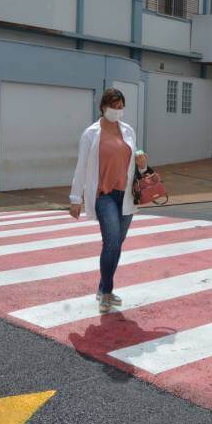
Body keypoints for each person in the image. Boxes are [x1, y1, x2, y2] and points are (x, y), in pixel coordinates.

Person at [69, 88, 148, 313]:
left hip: (126, 196)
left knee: (117, 244)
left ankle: (103, 287)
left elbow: (135, 165)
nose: (118, 111)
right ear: (103, 107)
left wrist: (143, 164)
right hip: (104, 195)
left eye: (121, 107)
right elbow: (81, 167)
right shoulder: (91, 134)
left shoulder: (128, 131)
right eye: (114, 106)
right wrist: (76, 199)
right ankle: (106, 293)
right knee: (112, 241)